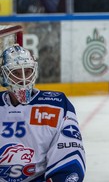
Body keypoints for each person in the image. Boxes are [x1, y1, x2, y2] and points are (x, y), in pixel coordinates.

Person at [0, 44, 86, 181]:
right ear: (4, 76)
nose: (23, 79)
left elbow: (70, 158)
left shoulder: (57, 105)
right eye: (15, 73)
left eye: (27, 71)